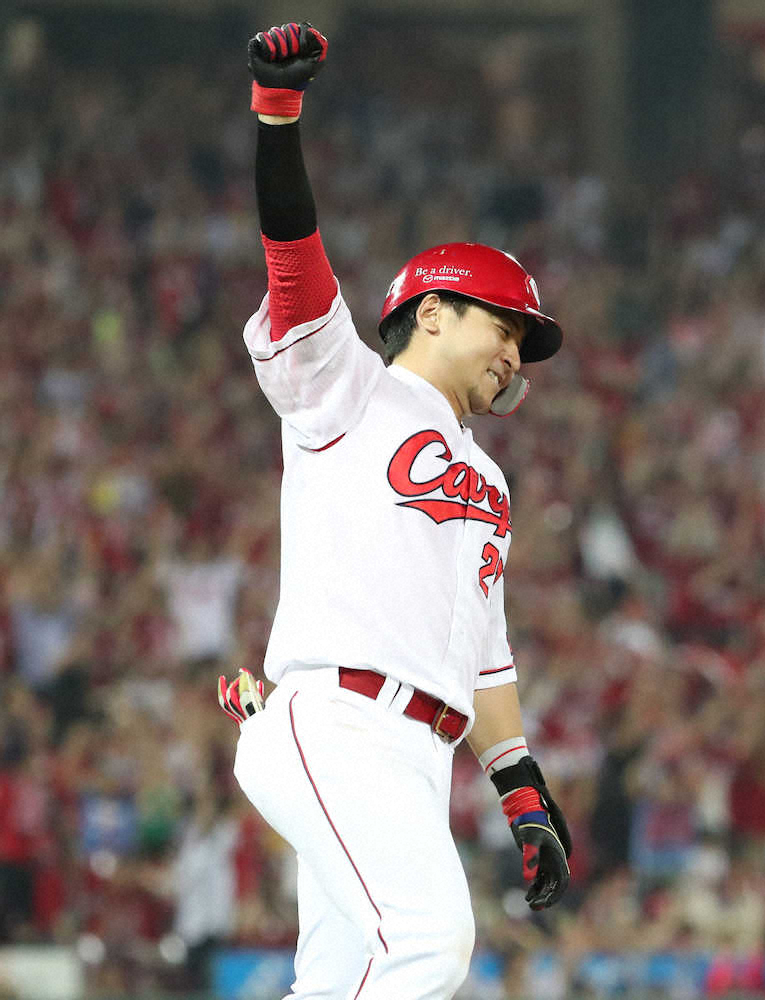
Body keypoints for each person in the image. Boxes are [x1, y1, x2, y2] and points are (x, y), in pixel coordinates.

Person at [217, 21, 572, 999]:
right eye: (504, 324)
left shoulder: (489, 481)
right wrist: (278, 115)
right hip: (338, 723)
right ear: (433, 311)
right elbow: (293, 258)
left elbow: (483, 650)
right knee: (428, 943)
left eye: (525, 341)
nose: (515, 352)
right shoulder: (347, 387)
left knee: (340, 981)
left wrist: (521, 788)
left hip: (420, 756)